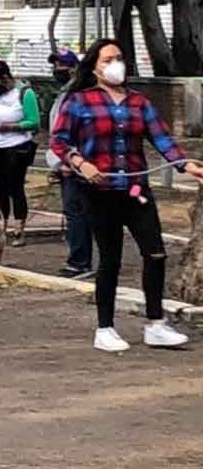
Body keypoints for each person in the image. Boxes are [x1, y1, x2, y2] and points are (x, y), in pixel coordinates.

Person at [51, 38, 203, 352]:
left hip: (136, 191)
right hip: (98, 192)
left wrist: (185, 164)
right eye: (107, 59)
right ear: (93, 66)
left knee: (156, 254)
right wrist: (81, 163)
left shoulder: (139, 103)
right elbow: (59, 141)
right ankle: (105, 328)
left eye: (119, 58)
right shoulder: (79, 101)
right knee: (110, 260)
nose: (115, 64)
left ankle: (156, 324)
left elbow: (161, 138)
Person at [45, 49, 94, 278]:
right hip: (65, 163)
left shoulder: (81, 95)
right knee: (75, 212)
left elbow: (80, 132)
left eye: (62, 66)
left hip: (78, 164)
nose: (57, 70)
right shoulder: (64, 94)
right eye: (55, 66)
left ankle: (80, 262)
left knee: (79, 213)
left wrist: (69, 161)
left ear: (75, 68)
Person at [0, 58, 40, 247]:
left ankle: (19, 227)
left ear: (5, 77)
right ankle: (2, 226)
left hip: (18, 147)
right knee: (0, 188)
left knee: (16, 187)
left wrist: (10, 127)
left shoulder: (25, 93)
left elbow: (34, 121)